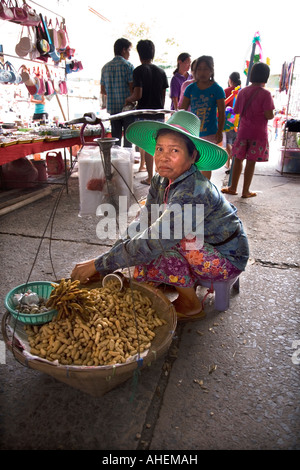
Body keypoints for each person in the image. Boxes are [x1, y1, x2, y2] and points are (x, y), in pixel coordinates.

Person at [71, 111, 249, 322]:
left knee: (163, 242)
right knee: (146, 232)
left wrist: (100, 264)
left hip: (226, 257)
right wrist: (108, 259)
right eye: (159, 149)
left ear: (192, 157)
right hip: (202, 247)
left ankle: (191, 305)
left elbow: (156, 239)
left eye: (174, 150)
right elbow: (144, 222)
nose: (164, 156)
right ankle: (171, 279)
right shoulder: (160, 180)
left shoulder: (193, 191)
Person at [221, 62, 275, 198]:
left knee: (238, 159)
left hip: (243, 131)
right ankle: (245, 191)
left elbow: (237, 111)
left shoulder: (243, 91)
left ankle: (233, 187)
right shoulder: (266, 94)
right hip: (258, 133)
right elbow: (269, 115)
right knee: (251, 161)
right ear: (266, 77)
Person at [125, 39, 169, 184]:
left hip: (144, 113)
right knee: (158, 146)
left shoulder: (138, 71)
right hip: (159, 113)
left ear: (139, 54)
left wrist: (128, 100)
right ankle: (159, 176)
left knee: (148, 146)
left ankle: (151, 177)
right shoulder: (161, 72)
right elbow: (163, 96)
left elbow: (138, 95)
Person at [180, 55, 225, 180]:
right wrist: (181, 129)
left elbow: (222, 112)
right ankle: (193, 187)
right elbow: (182, 111)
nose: (202, 72)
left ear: (211, 71)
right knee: (191, 162)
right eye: (199, 69)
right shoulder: (190, 88)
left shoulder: (217, 89)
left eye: (206, 69)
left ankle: (204, 190)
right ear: (194, 71)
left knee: (206, 164)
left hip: (210, 133)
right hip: (193, 133)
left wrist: (220, 131)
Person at [100, 38, 134, 147]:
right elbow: (132, 89)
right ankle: (126, 163)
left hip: (113, 110)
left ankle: (116, 163)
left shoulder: (105, 68)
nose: (129, 53)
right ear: (123, 50)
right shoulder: (128, 66)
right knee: (128, 140)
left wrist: (113, 93)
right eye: (129, 50)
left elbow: (102, 90)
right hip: (127, 109)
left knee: (115, 141)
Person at [224, 72, 242, 173]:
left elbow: (221, 105)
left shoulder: (227, 91)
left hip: (229, 120)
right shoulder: (242, 91)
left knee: (228, 142)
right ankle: (230, 164)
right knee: (235, 142)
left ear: (230, 80)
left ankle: (233, 163)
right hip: (240, 121)